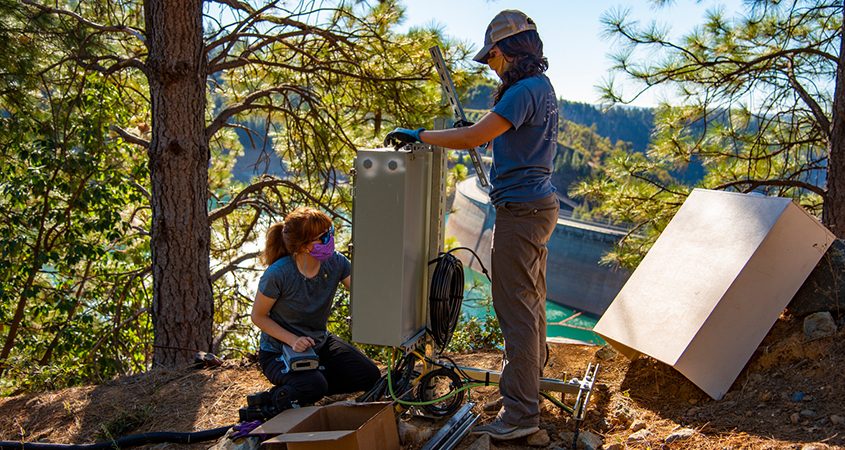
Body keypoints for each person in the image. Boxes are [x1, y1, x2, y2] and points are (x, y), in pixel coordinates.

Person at [384, 9, 559, 441]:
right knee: (531, 302)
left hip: (520, 211)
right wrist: (481, 128)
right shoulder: (542, 87)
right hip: (539, 206)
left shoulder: (521, 91)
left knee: (514, 310)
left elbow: (472, 138)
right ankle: (527, 389)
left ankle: (520, 416)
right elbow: (493, 132)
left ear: (505, 50)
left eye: (493, 57)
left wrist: (421, 134)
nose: (491, 66)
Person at [250, 206, 380, 414]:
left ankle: (311, 382)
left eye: (331, 232)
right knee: (314, 387)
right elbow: (258, 316)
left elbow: (361, 291)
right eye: (324, 236)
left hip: (320, 343)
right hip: (278, 351)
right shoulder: (278, 274)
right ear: (303, 246)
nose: (331, 239)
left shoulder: (335, 262)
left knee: (369, 375)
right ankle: (278, 396)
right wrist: (293, 340)